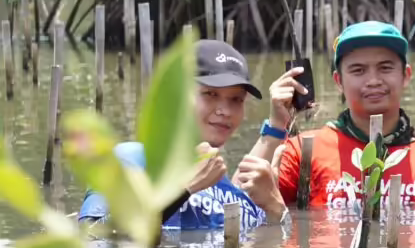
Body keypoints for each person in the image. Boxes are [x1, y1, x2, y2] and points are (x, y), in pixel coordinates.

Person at [79, 40, 287, 231]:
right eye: (210, 94)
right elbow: (93, 235)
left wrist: (275, 207)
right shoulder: (130, 160)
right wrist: (183, 188)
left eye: (236, 100)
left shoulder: (223, 186)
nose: (225, 110)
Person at [264, 21, 415, 210]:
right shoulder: (302, 150)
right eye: (358, 70)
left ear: (406, 75)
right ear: (338, 81)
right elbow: (243, 209)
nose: (373, 81)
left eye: (385, 68)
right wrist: (275, 125)